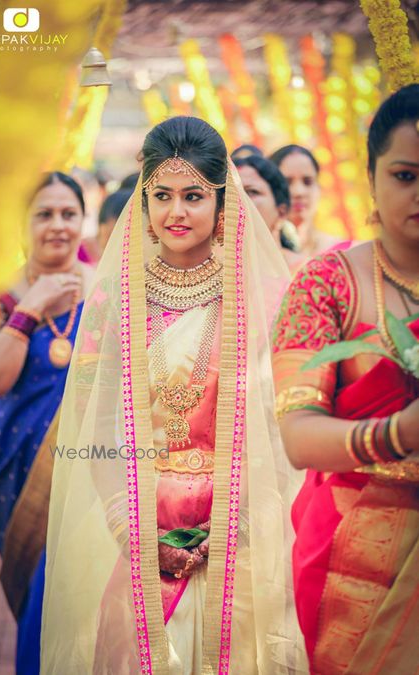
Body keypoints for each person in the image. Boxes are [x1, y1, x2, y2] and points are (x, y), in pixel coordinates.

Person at [41, 116, 307, 673]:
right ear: (144, 201)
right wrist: (132, 532)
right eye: (161, 196)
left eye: (193, 196)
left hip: (241, 539)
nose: (176, 213)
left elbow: (287, 426)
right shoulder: (114, 301)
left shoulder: (264, 299)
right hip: (138, 533)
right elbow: (93, 427)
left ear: (222, 200)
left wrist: (238, 523)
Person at [272, 84, 419, 674]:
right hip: (354, 564)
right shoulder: (329, 282)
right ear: (372, 177)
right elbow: (299, 438)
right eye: (406, 175)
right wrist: (400, 431)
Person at [0, 171, 94, 675]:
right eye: (44, 214)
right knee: (35, 604)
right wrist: (31, 306)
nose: (58, 226)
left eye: (69, 214)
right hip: (19, 474)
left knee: (79, 607)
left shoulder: (107, 287)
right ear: (23, 224)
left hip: (89, 473)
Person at [234, 154, 303, 271]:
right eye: (231, 194)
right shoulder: (216, 276)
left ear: (282, 212)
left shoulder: (305, 271)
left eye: (251, 192)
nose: (238, 201)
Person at [270, 144, 340, 256]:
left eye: (308, 182)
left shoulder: (342, 254)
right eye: (287, 183)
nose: (299, 192)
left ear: (319, 188)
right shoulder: (260, 257)